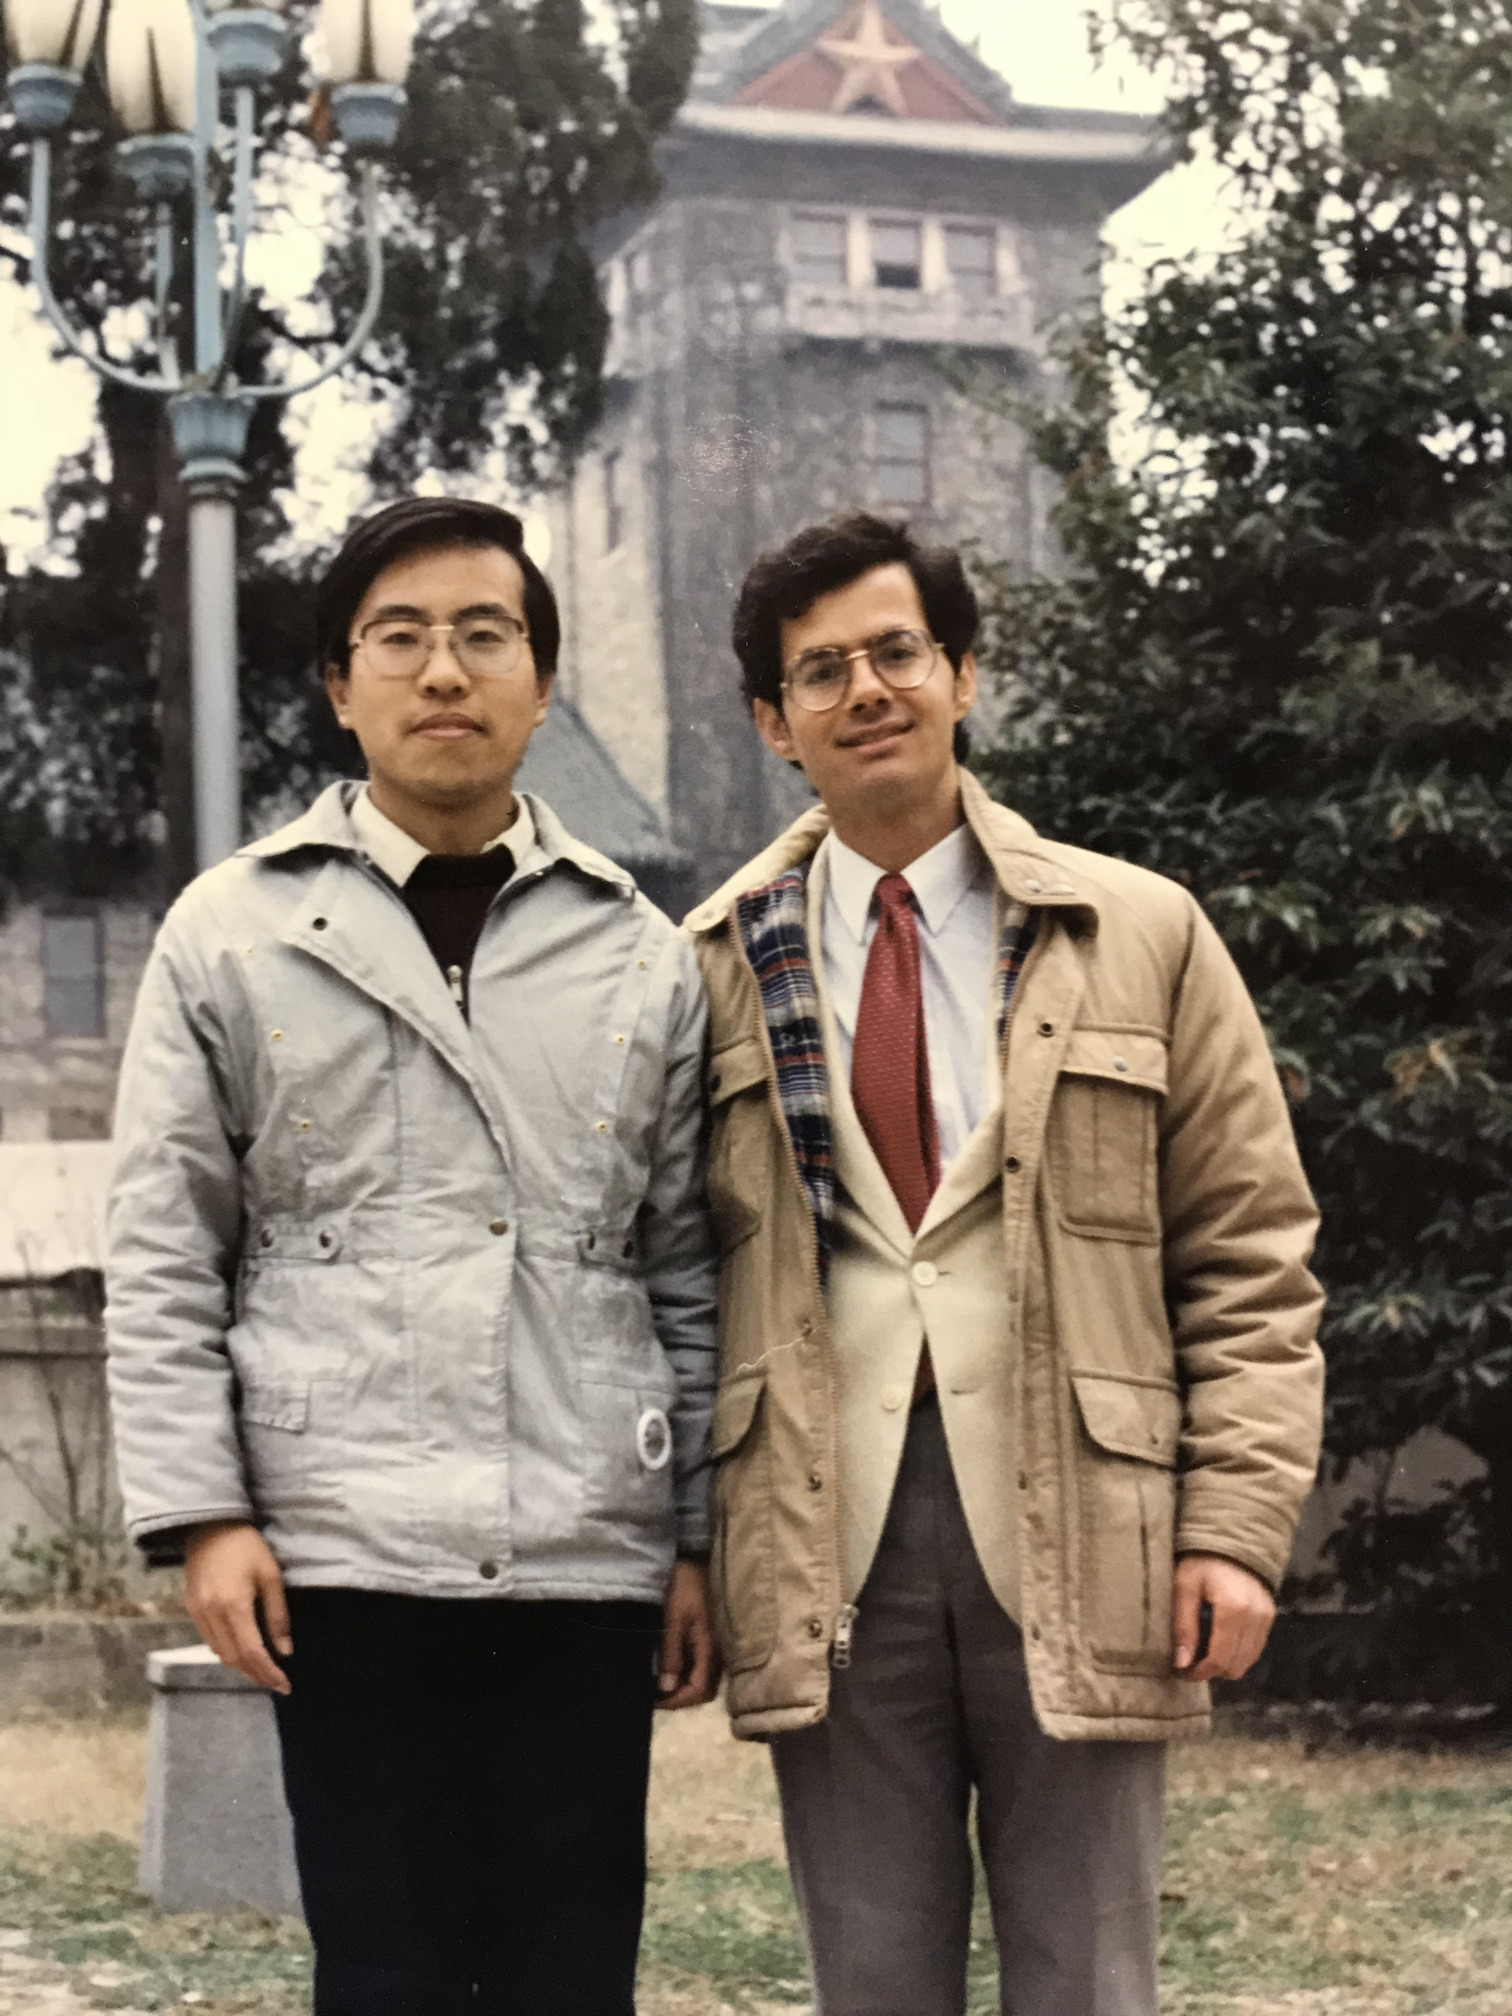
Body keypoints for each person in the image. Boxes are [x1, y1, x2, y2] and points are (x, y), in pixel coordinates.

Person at [684, 511, 1325, 2016]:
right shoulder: (708, 965)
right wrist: (687, 1549)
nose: (867, 690)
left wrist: (1234, 1527)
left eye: (898, 652)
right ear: (775, 722)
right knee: (872, 1981)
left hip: (1091, 1526)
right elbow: (672, 1277)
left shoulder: (1140, 932)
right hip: (825, 1541)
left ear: (963, 675)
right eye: (821, 670)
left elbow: (1250, 1253)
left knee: (1089, 1979)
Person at [105, 496, 719, 2016]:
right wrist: (205, 1517)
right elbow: (167, 1245)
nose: (445, 671)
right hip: (341, 1548)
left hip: (583, 1546)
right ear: (340, 683)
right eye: (401, 638)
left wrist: (698, 1536)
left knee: (572, 1973)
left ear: (541, 683)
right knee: (384, 1973)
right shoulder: (231, 932)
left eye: (485, 635)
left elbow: (689, 1265)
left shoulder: (639, 951)